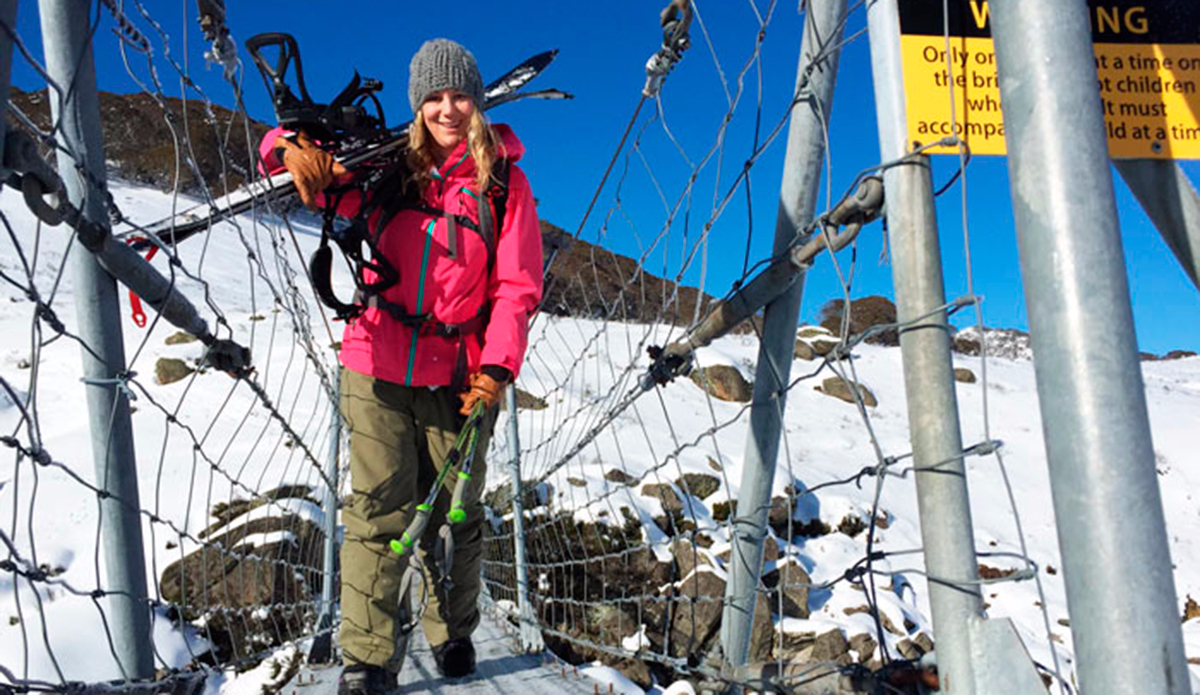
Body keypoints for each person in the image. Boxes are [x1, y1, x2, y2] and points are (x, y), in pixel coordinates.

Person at [260, 38, 544, 692]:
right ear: (418, 105)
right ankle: (368, 658)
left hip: (461, 373)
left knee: (456, 515)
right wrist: (285, 148)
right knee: (380, 509)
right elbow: (286, 153)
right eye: (434, 96)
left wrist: (498, 367)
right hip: (376, 360)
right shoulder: (384, 165)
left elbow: (516, 285)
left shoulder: (503, 180)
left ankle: (453, 631)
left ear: (478, 100)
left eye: (459, 94)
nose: (448, 108)